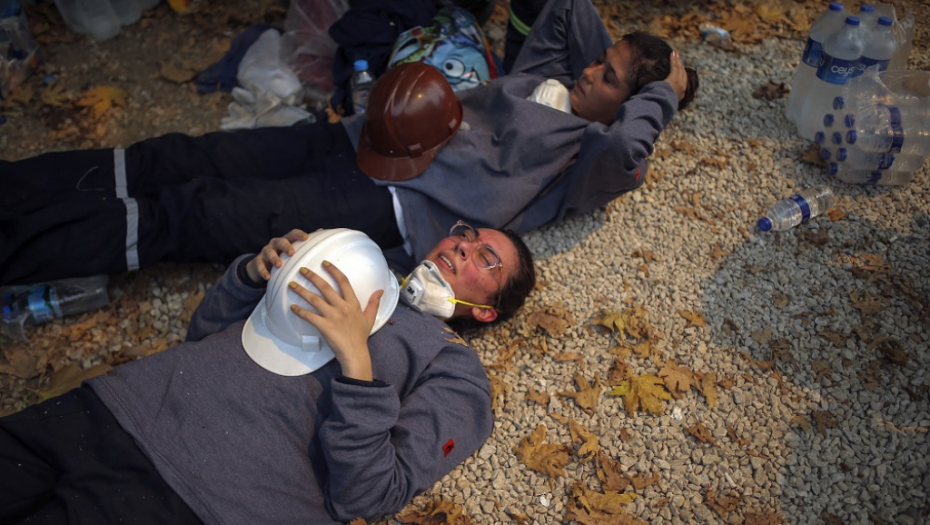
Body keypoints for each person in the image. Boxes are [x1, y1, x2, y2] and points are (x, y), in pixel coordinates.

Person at [0, 0, 699, 286]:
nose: (587, 69)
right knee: (184, 154)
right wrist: (630, 61)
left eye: (605, 75)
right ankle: (16, 189)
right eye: (597, 59)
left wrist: (663, 88)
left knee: (194, 211)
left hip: (388, 199)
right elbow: (567, 13)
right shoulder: (546, 80)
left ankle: (16, 244)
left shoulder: (589, 156)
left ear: (629, 107)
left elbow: (632, 149)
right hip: (369, 137)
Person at [0, 221, 537, 525]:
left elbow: (369, 496)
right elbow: (206, 334)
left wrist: (357, 364)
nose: (463, 246)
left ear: (487, 310)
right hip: (121, 405)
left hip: (197, 498)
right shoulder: (353, 259)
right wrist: (253, 277)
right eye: (464, 235)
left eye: (485, 258)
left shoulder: (455, 371)